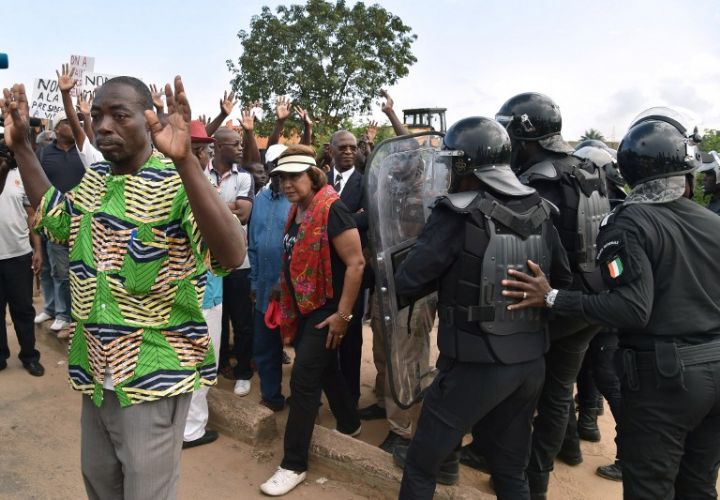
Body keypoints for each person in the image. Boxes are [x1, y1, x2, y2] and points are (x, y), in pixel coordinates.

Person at [1, 76, 245, 499]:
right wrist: (22, 146)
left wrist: (187, 163)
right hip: (95, 370)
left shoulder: (177, 182)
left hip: (153, 376)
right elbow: (57, 221)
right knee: (99, 484)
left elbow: (232, 253)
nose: (103, 126)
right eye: (97, 116)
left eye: (119, 115)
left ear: (147, 121)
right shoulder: (96, 177)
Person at [502, 109, 720, 499]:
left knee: (651, 486)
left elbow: (632, 308)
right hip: (715, 367)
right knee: (699, 486)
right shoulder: (711, 222)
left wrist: (552, 297)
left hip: (668, 380)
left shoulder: (630, 223)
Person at [392, 117, 573, 499]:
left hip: (473, 365)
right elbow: (561, 281)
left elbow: (409, 280)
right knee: (510, 472)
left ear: (464, 165)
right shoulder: (541, 209)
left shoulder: (457, 213)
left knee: (421, 465)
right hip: (530, 364)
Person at [493, 92, 610, 497]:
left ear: (524, 134)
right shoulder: (589, 169)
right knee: (559, 395)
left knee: (521, 395)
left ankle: (512, 472)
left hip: (553, 304)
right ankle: (539, 478)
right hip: (591, 302)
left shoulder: (537, 182)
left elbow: (521, 252)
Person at [260, 145, 364, 496]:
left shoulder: (332, 209)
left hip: (327, 308)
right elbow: (294, 254)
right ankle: (350, 423)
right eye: (282, 178)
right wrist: (281, 287)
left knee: (304, 379)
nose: (287, 184)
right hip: (304, 305)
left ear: (312, 176)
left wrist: (343, 316)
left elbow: (356, 264)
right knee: (326, 368)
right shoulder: (298, 209)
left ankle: (293, 464)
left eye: (294, 176)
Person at [181, 121, 225, 449]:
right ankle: (191, 430)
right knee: (203, 360)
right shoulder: (198, 187)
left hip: (192, 291)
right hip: (201, 293)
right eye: (197, 149)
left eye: (205, 150)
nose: (204, 155)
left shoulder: (169, 181)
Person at [208, 126, 256, 396]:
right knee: (216, 317)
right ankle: (218, 365)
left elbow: (244, 214)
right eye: (235, 144)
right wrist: (228, 207)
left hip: (239, 262)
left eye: (241, 143)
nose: (240, 148)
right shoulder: (202, 173)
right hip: (208, 263)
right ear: (218, 146)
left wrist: (208, 204)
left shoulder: (245, 177)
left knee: (242, 320)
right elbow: (192, 206)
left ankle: (243, 372)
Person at [33, 109, 86, 334]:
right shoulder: (44, 153)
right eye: (67, 122)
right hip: (48, 220)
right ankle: (50, 308)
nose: (74, 124)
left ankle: (64, 313)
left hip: (75, 221)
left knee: (63, 270)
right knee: (46, 268)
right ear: (56, 128)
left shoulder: (83, 152)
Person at [327, 130, 369, 406]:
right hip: (323, 270)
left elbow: (369, 219)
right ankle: (324, 392)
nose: (349, 152)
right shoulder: (320, 180)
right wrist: (353, 218)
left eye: (353, 148)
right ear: (331, 150)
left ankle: (351, 397)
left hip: (352, 271)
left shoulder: (366, 183)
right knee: (322, 332)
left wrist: (332, 223)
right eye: (342, 147)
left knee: (351, 335)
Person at [248, 144, 291, 412]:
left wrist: (283, 281)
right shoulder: (260, 200)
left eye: (282, 169)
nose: (278, 174)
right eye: (274, 168)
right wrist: (254, 282)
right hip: (264, 289)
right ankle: (272, 397)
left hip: (292, 290)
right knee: (265, 347)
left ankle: (305, 402)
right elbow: (253, 245)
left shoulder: (299, 200)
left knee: (302, 349)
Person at [0, 137, 44, 376]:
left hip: (18, 255)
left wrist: (37, 249)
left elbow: (31, 215)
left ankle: (29, 356)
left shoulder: (20, 176)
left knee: (24, 310)